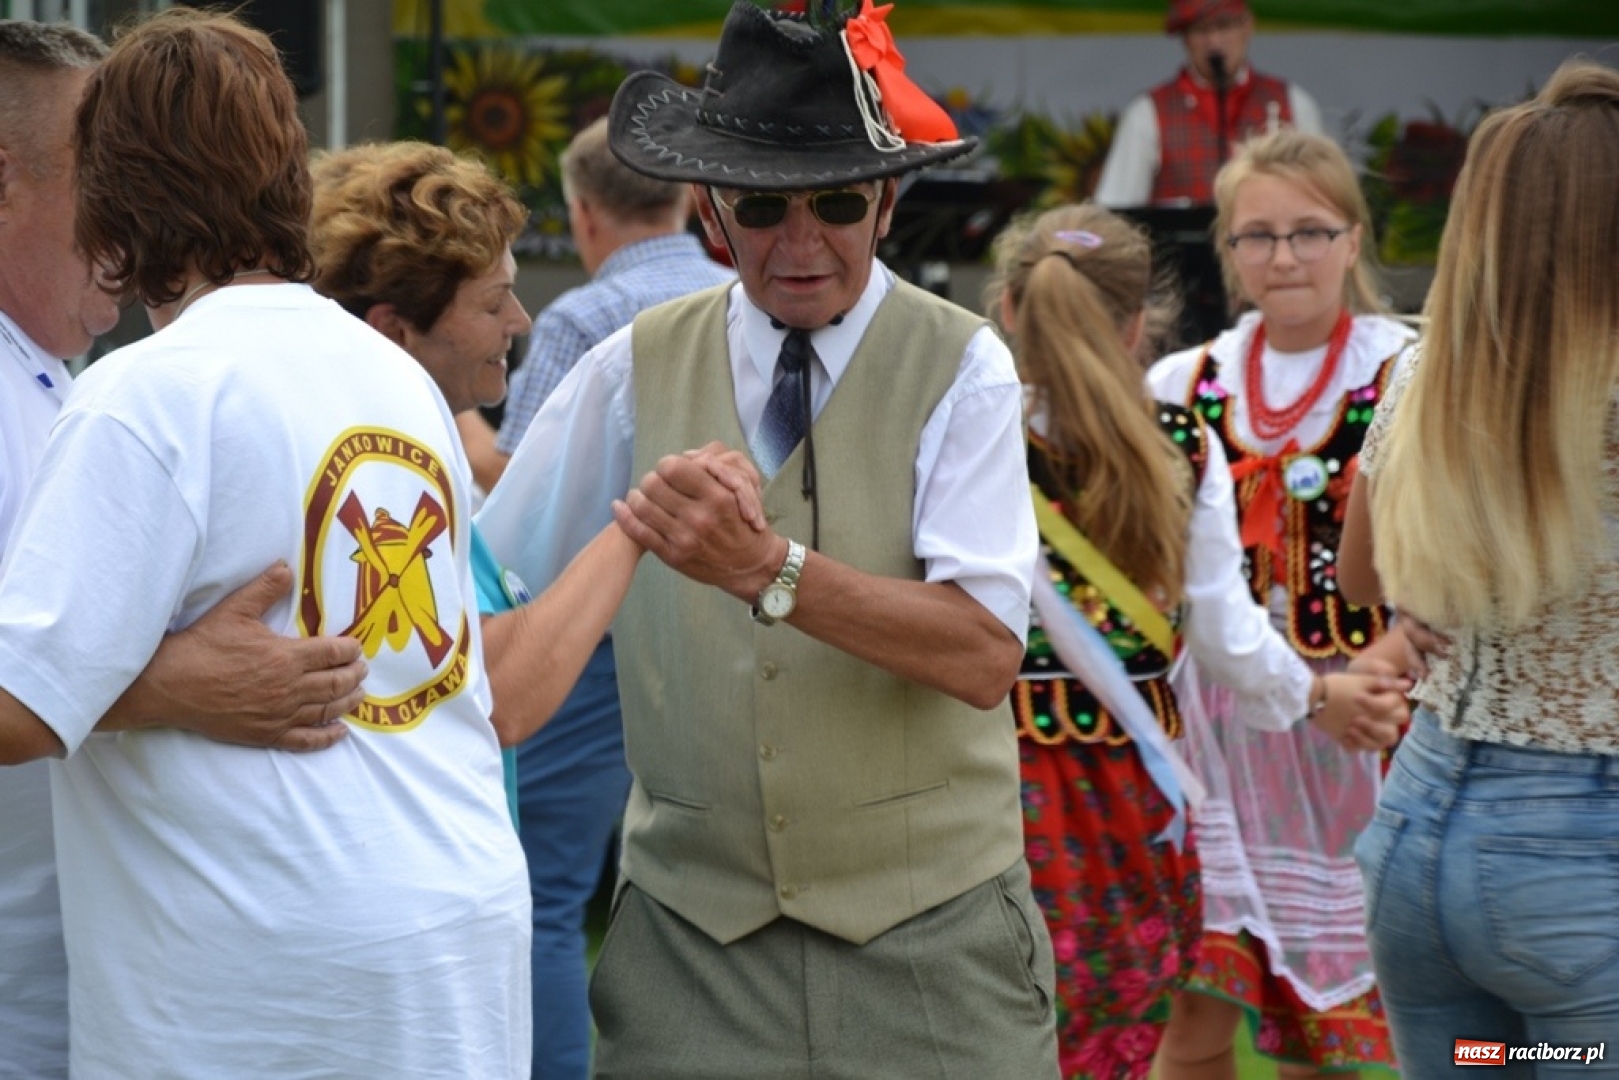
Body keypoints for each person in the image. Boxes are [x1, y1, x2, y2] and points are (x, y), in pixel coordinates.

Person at [478, 1, 1060, 1075]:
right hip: (687, 952)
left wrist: (765, 569)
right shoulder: (628, 367)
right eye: (759, 208)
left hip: (930, 941)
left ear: (885, 203)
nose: (798, 244)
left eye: (835, 202)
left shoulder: (962, 365)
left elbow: (983, 654)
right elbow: (487, 588)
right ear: (707, 207)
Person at [0, 11, 530, 1074]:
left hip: (260, 983)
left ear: (113, 197)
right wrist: (165, 680)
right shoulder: (397, 382)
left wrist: (127, 683)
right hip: (455, 945)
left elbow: (17, 709)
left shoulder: (143, 398)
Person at [0, 20, 366, 1077]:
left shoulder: (76, 382)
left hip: (112, 992)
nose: (123, 216)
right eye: (102, 172)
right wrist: (157, 689)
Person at [987, 202, 1407, 1080]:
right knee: (1117, 1037)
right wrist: (1314, 696)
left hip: (986, 779)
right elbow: (1221, 630)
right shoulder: (1179, 442)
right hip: (1131, 793)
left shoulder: (961, 432)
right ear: (1140, 323)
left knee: (997, 1032)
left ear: (1006, 311)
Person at [1340, 59, 1619, 1080]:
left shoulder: (1421, 371)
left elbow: (1362, 577)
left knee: (1473, 1062)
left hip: (1419, 847)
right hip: (1575, 876)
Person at [1145, 128, 1415, 1079]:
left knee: (1325, 1036)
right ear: (1227, 249)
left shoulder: (1407, 373)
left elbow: (1447, 565)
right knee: (1196, 1017)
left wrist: (1383, 673)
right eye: (1256, 236)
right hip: (1215, 737)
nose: (1284, 256)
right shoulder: (1180, 384)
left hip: (1362, 727)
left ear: (1351, 239)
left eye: (1309, 232)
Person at [467, 115, 730, 1080]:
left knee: (546, 891)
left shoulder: (582, 315)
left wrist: (451, 412)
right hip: (728, 635)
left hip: (597, 640)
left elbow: (527, 494)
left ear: (582, 214)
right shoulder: (739, 298)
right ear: (692, 199)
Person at [1094, 0, 1322, 210]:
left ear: (1248, 26)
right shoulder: (1147, 112)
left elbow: (1323, 200)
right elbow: (1114, 212)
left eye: (1224, 26)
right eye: (1201, 30)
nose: (1214, 42)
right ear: (1185, 39)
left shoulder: (1292, 102)